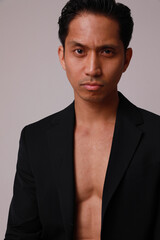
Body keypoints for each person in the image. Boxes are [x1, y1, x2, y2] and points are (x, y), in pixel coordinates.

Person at [4, 0, 160, 239]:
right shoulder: (35, 139)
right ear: (62, 56)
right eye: (79, 51)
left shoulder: (156, 136)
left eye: (107, 51)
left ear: (126, 59)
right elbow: (21, 233)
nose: (92, 68)